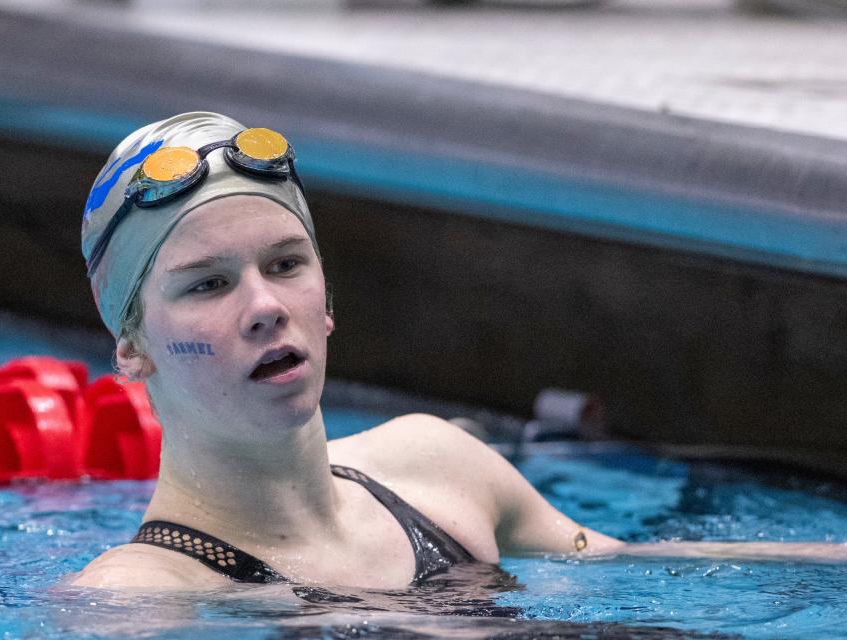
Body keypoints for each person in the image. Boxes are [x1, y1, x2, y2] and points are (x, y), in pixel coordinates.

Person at [70, 112, 845, 590]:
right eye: (207, 285)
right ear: (132, 347)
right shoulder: (143, 601)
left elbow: (622, 564)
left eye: (285, 264)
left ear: (327, 299)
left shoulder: (435, 465)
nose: (267, 307)